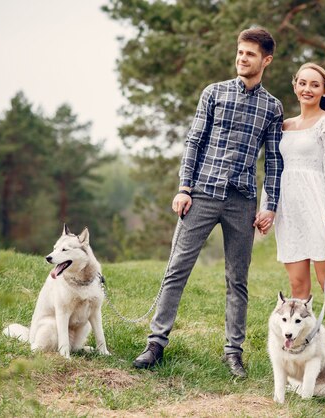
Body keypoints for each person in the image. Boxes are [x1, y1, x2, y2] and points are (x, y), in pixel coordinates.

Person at [133, 27, 284, 379]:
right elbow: (194, 142)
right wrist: (184, 187)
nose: (242, 58)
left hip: (242, 201)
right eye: (240, 51)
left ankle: (233, 352)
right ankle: (156, 343)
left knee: (237, 279)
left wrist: (270, 205)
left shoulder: (272, 107)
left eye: (250, 53)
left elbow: (274, 161)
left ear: (266, 60)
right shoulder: (213, 94)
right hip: (200, 193)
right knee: (176, 269)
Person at [257, 62, 325, 375]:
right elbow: (275, 170)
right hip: (290, 213)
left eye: (314, 85)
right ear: (294, 85)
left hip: (318, 210)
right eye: (302, 83)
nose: (307, 89)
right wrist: (267, 207)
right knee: (297, 287)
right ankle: (299, 361)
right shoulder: (284, 126)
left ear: (324, 90)